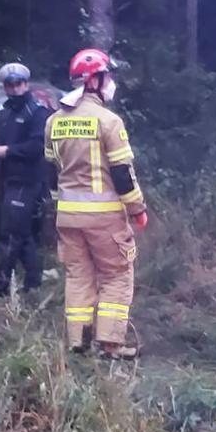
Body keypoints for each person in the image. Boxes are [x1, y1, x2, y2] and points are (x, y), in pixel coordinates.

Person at [47, 48, 148, 360]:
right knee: (117, 275)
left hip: (67, 218)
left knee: (78, 277)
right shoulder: (108, 121)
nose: (111, 82)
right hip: (104, 219)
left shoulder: (53, 121)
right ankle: (110, 344)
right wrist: (138, 210)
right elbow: (122, 174)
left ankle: (78, 342)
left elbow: (52, 173)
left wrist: (59, 206)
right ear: (95, 80)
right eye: (108, 76)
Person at [0, 63, 52, 298]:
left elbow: (37, 147)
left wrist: (7, 151)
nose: (14, 89)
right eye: (9, 85)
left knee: (10, 234)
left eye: (18, 84)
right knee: (23, 235)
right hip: (11, 181)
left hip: (28, 182)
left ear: (26, 84)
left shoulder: (38, 112)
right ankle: (33, 285)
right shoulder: (6, 114)